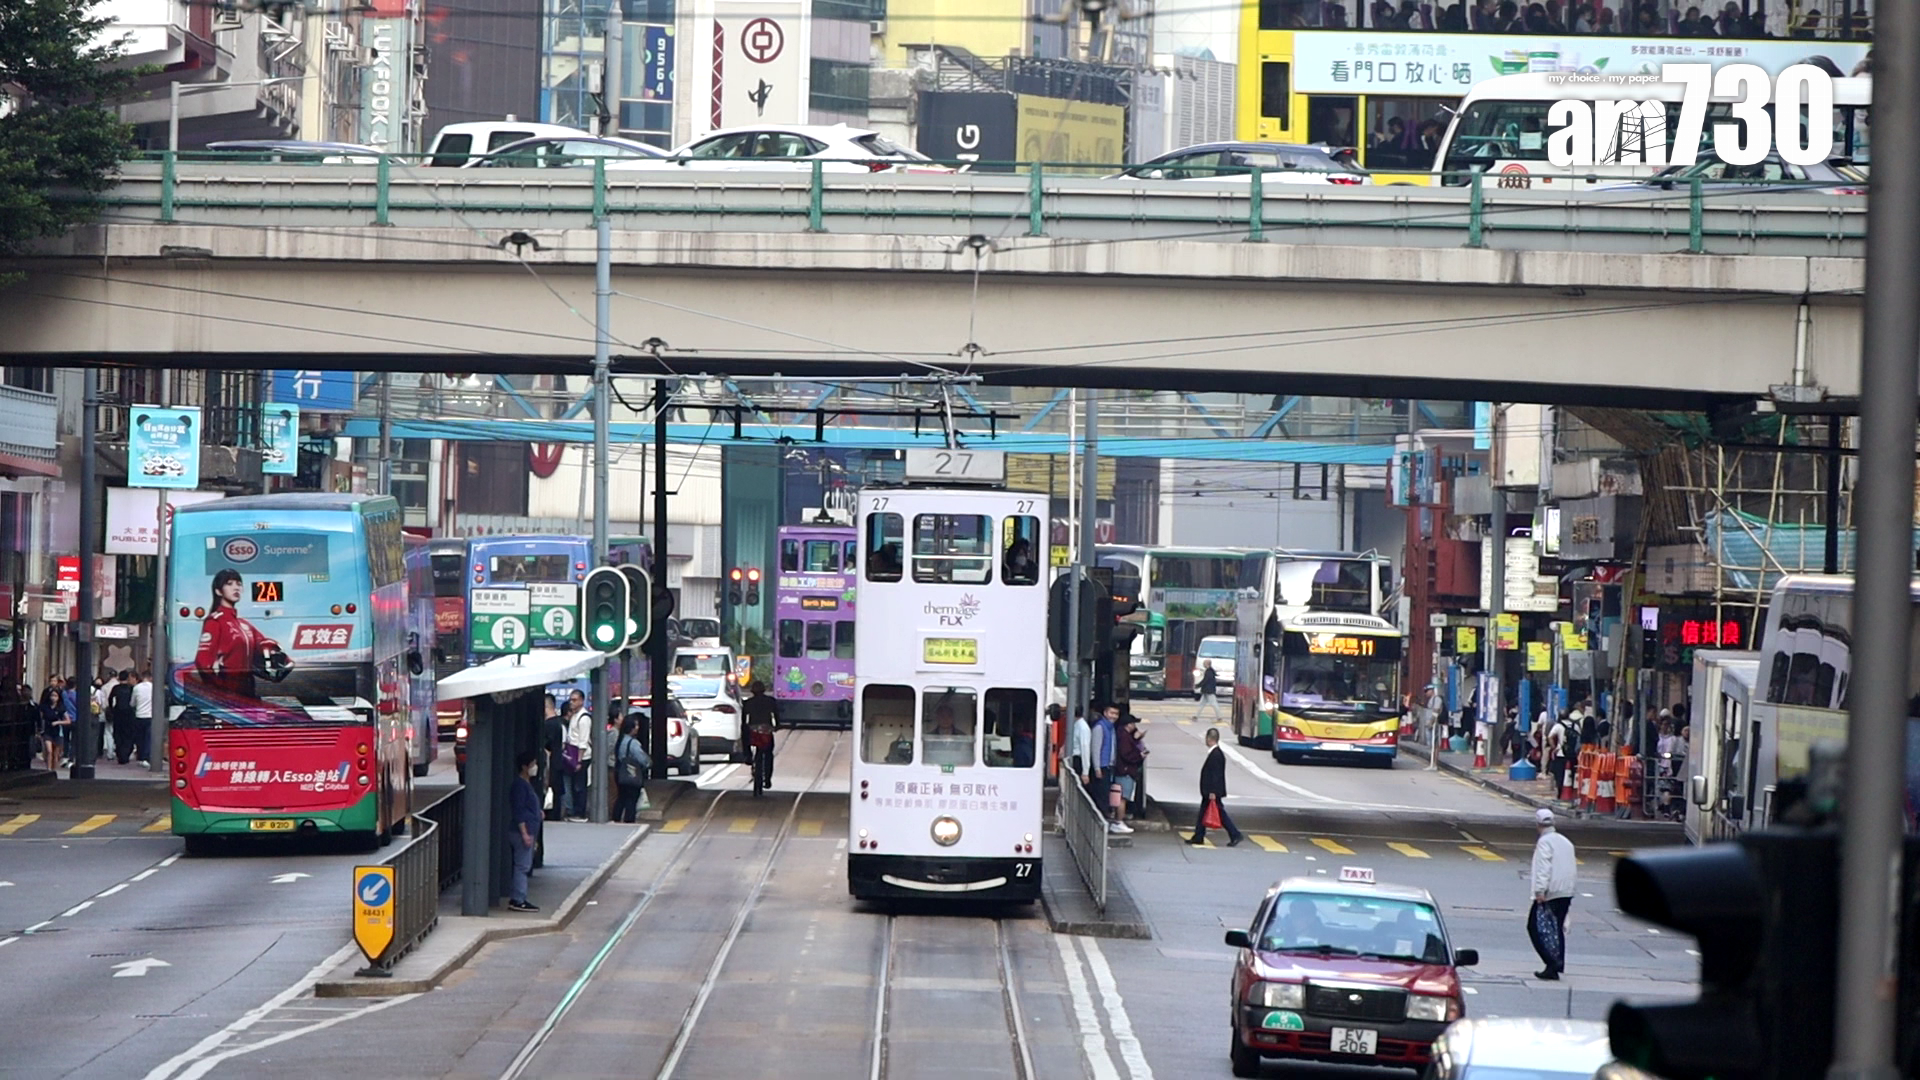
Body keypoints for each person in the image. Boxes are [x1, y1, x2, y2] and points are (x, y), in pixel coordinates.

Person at [194, 568, 290, 700]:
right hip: (228, 688)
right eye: (229, 584)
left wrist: (286, 662)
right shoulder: (215, 621)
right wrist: (218, 689)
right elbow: (202, 662)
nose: (236, 588)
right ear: (218, 591)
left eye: (239, 584)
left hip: (249, 686)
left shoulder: (244, 624)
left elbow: (264, 644)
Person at [1528, 807, 1576, 980]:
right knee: (1556, 929)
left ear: (1538, 824)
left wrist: (1540, 891)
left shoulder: (1544, 842)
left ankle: (1551, 962)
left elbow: (1543, 868)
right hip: (1566, 891)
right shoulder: (1565, 841)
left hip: (1550, 892)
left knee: (1535, 927)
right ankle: (1557, 963)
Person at [1187, 727, 1243, 847]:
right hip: (1209, 791)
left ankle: (1235, 834)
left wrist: (1213, 791)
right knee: (1203, 813)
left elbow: (1216, 775)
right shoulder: (1215, 753)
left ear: (1209, 739)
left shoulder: (1216, 755)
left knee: (1220, 814)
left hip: (1212, 791)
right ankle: (1198, 836)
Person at [506, 751, 543, 912]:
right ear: (524, 767)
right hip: (522, 832)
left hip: (527, 830)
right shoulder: (520, 786)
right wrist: (525, 833)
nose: (535, 768)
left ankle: (519, 897)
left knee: (523, 864)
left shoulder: (525, 784)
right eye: (532, 764)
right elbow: (519, 811)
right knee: (522, 866)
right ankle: (518, 898)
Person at [1090, 704, 1129, 834]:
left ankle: (1103, 824)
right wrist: (1097, 768)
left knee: (1106, 795)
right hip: (1102, 767)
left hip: (1109, 766)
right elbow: (1095, 749)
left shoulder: (1111, 728)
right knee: (1101, 797)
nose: (1114, 716)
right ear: (1105, 713)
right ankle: (1100, 825)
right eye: (1111, 713)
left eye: (1116, 714)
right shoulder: (1100, 727)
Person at [611, 716, 651, 823]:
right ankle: (629, 820)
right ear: (631, 728)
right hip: (632, 774)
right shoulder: (633, 743)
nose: (638, 727)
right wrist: (648, 763)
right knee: (631, 800)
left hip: (620, 773)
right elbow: (642, 759)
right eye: (636, 725)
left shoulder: (620, 740)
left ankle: (616, 818)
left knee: (621, 797)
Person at [742, 679, 779, 794]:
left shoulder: (748, 703)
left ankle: (747, 755)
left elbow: (744, 720)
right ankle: (767, 778)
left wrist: (745, 727)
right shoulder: (771, 701)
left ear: (752, 691)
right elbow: (776, 715)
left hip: (753, 730)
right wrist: (777, 726)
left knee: (745, 738)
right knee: (768, 753)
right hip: (766, 730)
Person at [564, 689, 593, 821]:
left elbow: (583, 741)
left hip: (581, 756)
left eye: (574, 700)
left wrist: (579, 761)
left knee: (579, 786)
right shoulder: (574, 716)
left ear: (582, 701)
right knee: (575, 784)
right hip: (573, 754)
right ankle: (576, 811)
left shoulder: (584, 718)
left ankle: (580, 813)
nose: (572, 702)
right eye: (571, 700)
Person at [542, 696, 567, 822]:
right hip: (560, 760)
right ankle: (557, 814)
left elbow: (547, 745)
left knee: (549, 788)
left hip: (551, 762)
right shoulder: (560, 723)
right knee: (557, 790)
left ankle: (551, 813)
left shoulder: (548, 725)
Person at [108, 671, 137, 765]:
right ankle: (126, 754)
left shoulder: (116, 688)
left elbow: (110, 700)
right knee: (128, 735)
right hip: (129, 714)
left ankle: (120, 753)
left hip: (118, 714)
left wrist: (112, 710)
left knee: (118, 734)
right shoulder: (131, 688)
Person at [131, 668, 153, 766]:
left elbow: (132, 703)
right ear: (150, 678)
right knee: (148, 737)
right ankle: (146, 757)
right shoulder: (154, 687)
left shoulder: (137, 688)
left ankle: (140, 756)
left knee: (140, 737)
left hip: (139, 715)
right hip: (150, 715)